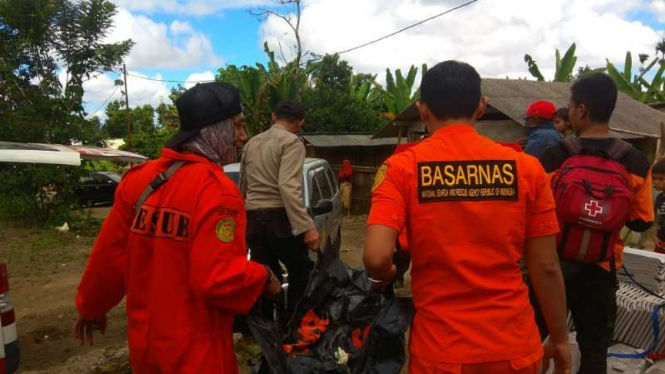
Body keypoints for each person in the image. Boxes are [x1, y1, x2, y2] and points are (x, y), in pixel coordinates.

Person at [364, 60, 571, 374]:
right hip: (514, 346)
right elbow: (546, 266)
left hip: (441, 350)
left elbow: (376, 258)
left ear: (422, 110)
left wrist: (389, 270)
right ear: (481, 106)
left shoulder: (401, 168)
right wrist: (559, 338)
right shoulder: (527, 169)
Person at [74, 82, 282, 374]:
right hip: (198, 356)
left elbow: (108, 259)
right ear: (213, 129)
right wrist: (264, 276)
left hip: (146, 353)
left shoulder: (138, 181)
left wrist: (90, 308)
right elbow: (217, 278)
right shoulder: (216, 190)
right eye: (236, 127)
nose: (243, 137)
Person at [538, 73, 654, 374]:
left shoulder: (553, 156)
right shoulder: (636, 161)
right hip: (601, 270)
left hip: (552, 267)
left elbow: (532, 214)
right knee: (594, 351)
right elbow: (642, 222)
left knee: (534, 343)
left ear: (581, 110)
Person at [240, 99, 320, 317]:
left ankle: (266, 331)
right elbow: (287, 186)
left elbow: (243, 186)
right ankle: (294, 328)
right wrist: (307, 227)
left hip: (253, 220)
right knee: (300, 274)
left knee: (264, 278)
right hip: (280, 219)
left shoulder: (251, 143)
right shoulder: (292, 143)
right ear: (299, 123)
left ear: (274, 117)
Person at [654, 159, 665, 254]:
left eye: (661, 179)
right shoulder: (659, 198)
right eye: (654, 178)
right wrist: (655, 236)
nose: (656, 182)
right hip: (660, 242)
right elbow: (659, 219)